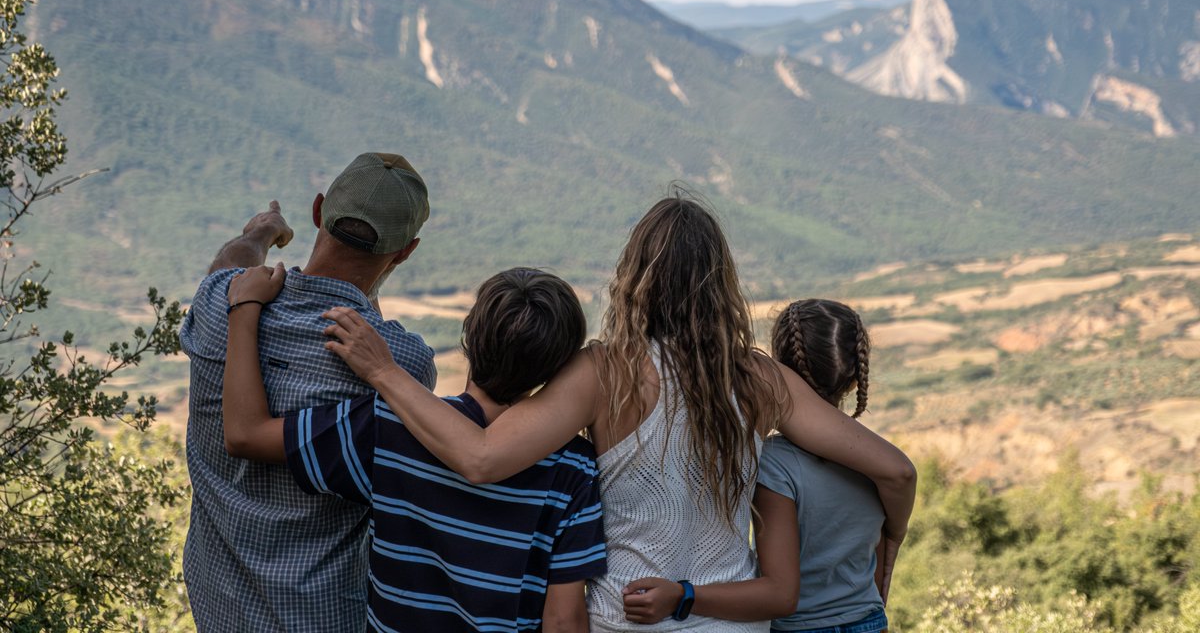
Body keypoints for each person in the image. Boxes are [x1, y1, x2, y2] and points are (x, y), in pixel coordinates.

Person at [319, 194, 916, 632]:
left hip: (620, 619)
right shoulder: (761, 378)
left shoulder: (604, 372)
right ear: (720, 284)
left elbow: (480, 458)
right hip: (730, 623)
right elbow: (896, 471)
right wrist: (888, 551)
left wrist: (384, 373)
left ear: (635, 278)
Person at [222, 265, 607, 632]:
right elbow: (563, 621)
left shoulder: (389, 428)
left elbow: (245, 435)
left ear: (469, 336)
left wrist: (244, 308)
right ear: (557, 370)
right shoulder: (573, 467)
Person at [180, 152, 437, 632]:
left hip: (217, 607)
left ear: (318, 210)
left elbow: (225, 265)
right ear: (405, 251)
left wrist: (260, 233)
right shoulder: (400, 365)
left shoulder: (225, 304)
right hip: (322, 614)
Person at [622, 299, 893, 633]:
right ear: (855, 378)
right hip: (869, 622)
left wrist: (683, 595)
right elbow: (878, 571)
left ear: (780, 369)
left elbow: (780, 590)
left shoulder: (774, 463)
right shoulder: (875, 464)